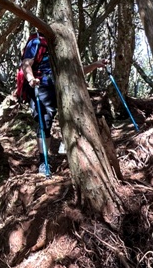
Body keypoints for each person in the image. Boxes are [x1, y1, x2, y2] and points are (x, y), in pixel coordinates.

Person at [20, 30, 107, 175]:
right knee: (45, 122)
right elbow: (26, 63)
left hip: (61, 86)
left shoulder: (64, 46)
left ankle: (67, 146)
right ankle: (43, 162)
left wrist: (95, 65)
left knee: (73, 113)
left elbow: (76, 71)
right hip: (40, 85)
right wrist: (30, 79)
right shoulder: (38, 42)